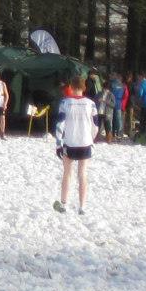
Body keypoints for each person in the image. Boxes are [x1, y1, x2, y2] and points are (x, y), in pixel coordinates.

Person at [54, 79, 99, 214]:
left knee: (67, 173)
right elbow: (95, 126)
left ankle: (63, 204)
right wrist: (91, 138)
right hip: (85, 143)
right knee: (82, 174)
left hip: (70, 142)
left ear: (71, 87)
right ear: (84, 87)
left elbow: (60, 124)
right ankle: (82, 206)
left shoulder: (65, 103)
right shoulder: (91, 104)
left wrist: (58, 144)